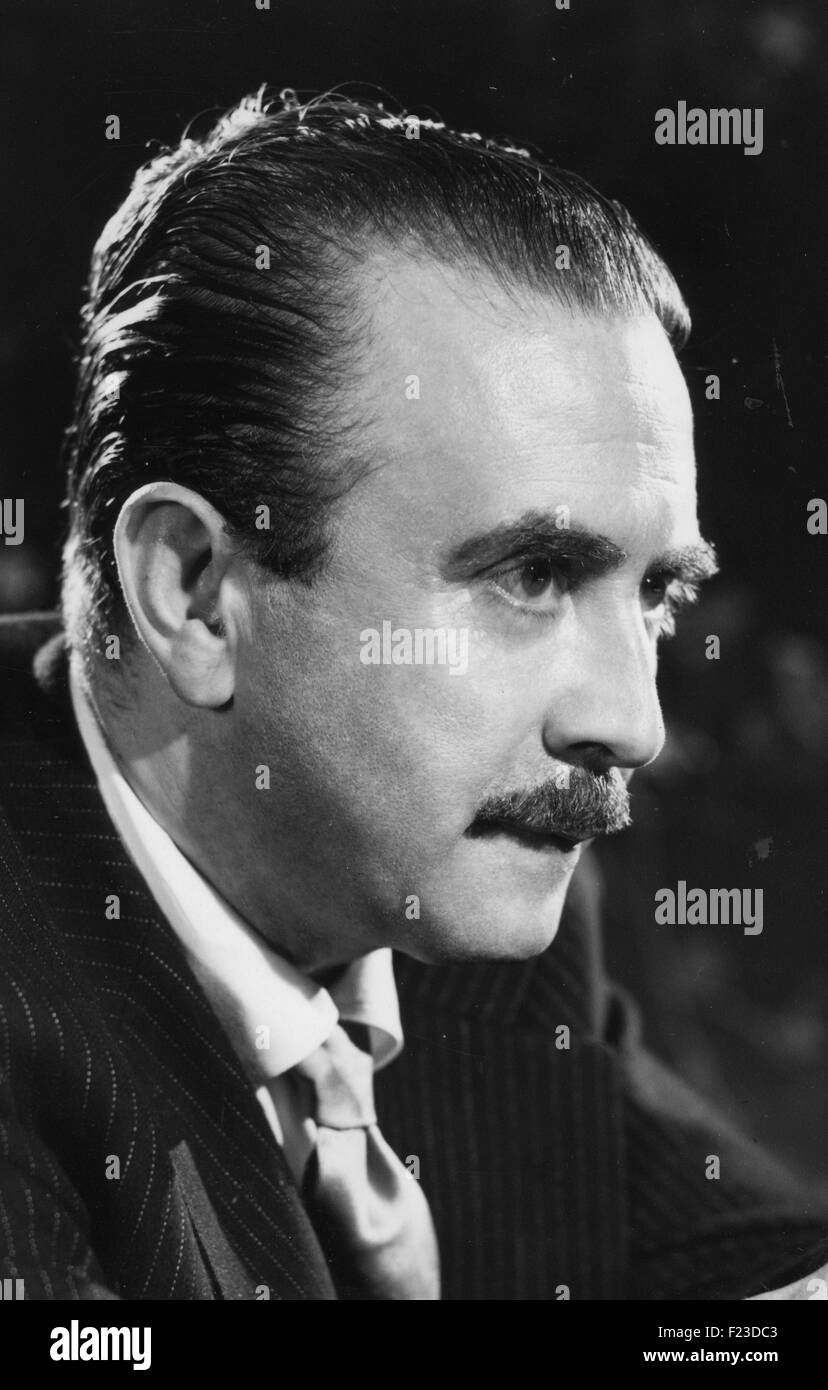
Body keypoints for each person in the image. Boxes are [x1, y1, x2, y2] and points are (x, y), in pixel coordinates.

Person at [1, 87, 826, 1301]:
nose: (632, 725)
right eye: (533, 576)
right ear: (194, 593)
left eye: (656, 593)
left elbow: (758, 1282)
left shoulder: (469, 900)